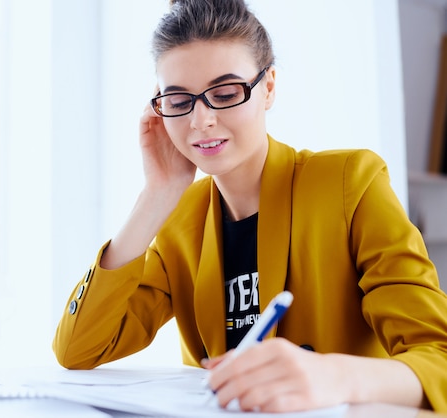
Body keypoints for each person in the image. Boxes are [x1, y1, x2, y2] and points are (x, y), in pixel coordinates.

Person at [52, 0, 447, 413]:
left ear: (269, 87)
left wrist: (334, 375)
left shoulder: (350, 183)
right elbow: (78, 349)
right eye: (178, 99)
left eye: (224, 93)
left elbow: (438, 357)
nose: (200, 120)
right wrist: (157, 195)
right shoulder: (179, 221)